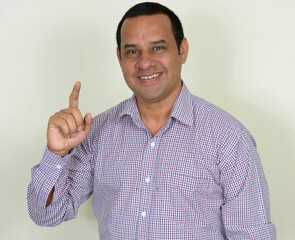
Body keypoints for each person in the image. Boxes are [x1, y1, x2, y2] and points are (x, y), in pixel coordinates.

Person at [27, 2, 276, 239]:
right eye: (133, 51)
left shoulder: (230, 138)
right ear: (120, 58)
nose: (145, 62)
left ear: (182, 50)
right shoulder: (97, 132)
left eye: (158, 48)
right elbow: (47, 214)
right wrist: (56, 154)